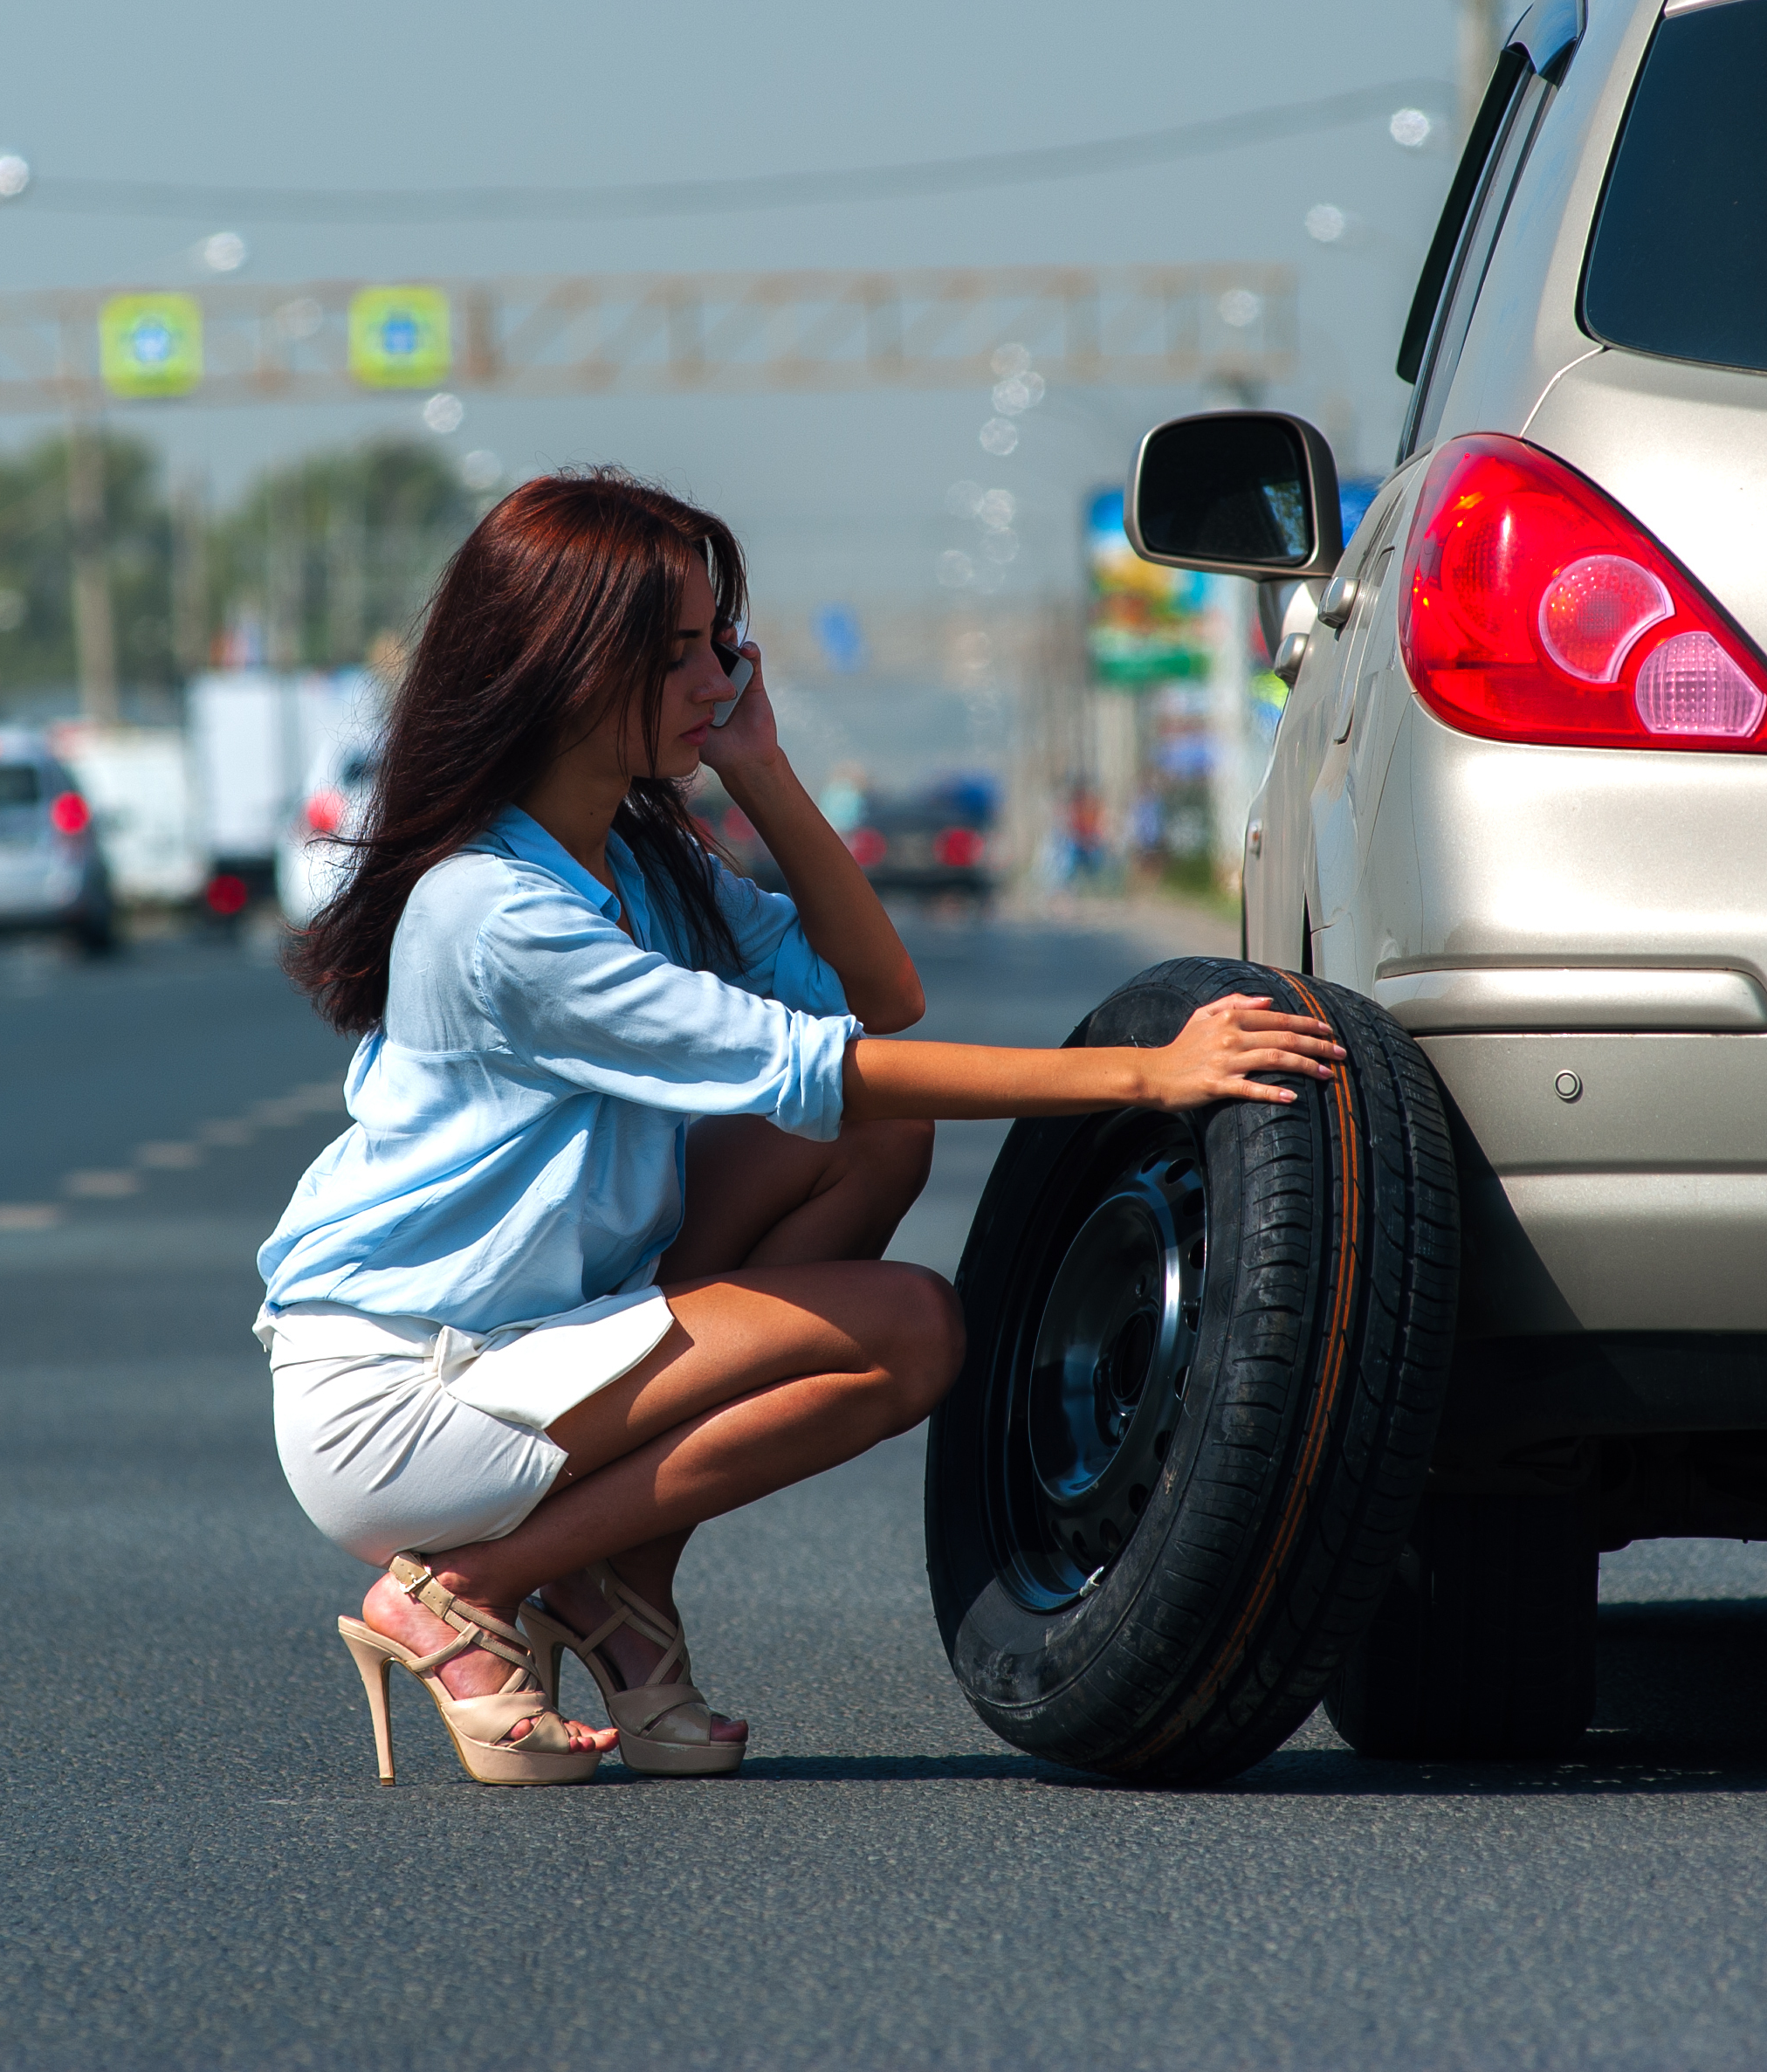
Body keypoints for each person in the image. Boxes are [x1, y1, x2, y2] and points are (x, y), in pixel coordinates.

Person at [259, 470, 1344, 1786]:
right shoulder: (495, 913)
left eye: (724, 643)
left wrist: (759, 768)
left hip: (531, 1329)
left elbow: (882, 999)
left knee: (874, 1148)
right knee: (909, 1332)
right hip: (404, 1385)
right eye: (682, 658)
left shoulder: (633, 861)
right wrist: (1145, 1078)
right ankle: (470, 1586)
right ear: (570, 666)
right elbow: (808, 1065)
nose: (717, 677)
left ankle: (613, 1600)